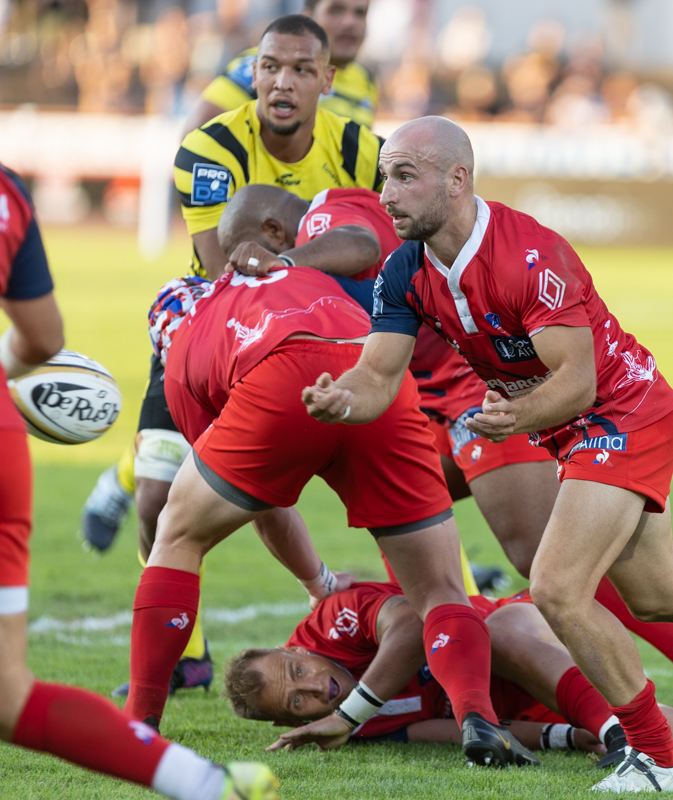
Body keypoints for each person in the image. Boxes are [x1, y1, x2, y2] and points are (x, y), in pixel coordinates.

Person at [300, 116, 673, 792]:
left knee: (556, 588)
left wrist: (515, 417)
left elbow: (579, 379)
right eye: (385, 175)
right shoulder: (405, 270)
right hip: (568, 426)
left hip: (623, 411)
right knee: (664, 595)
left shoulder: (527, 254)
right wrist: (344, 399)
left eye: (404, 176)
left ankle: (659, 759)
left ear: (457, 180)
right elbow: (378, 374)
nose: (387, 193)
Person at [217, 183, 673, 710]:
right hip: (432, 398)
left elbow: (359, 244)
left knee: (540, 555)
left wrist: (286, 260)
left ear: (272, 231)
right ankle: (454, 620)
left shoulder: (321, 221)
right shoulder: (354, 215)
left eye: (253, 255)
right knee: (397, 506)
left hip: (476, 394)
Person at [81, 13, 386, 698]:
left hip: (330, 330)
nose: (282, 82)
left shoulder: (364, 149)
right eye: (270, 67)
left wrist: (298, 259)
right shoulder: (207, 149)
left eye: (301, 70)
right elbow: (229, 275)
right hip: (217, 330)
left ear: (326, 81)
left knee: (409, 476)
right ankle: (187, 654)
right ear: (252, 71)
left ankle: (350, 599)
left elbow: (381, 248)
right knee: (162, 503)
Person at [127, 268, 537, 770]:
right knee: (441, 593)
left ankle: (140, 722)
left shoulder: (184, 345)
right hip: (374, 376)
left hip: (280, 376)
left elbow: (263, 502)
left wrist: (317, 580)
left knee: (177, 538)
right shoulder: (288, 274)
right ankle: (478, 717)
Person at [0, 165, 279, 800]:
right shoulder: (10, 190)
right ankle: (205, 785)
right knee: (8, 694)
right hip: (5, 438)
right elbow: (43, 336)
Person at [223, 583, 673, 760]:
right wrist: (562, 736)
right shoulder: (343, 724)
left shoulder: (333, 622)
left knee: (502, 630)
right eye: (298, 702)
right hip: (520, 702)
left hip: (520, 629)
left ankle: (640, 715)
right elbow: (449, 731)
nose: (313, 685)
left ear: (292, 647)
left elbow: (408, 624)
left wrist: (349, 714)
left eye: (296, 669)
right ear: (294, 721)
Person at [183, 0, 378, 133]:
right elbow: (194, 136)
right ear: (308, 17)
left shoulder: (365, 81)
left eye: (360, 13)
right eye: (336, 10)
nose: (350, 22)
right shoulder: (265, 66)